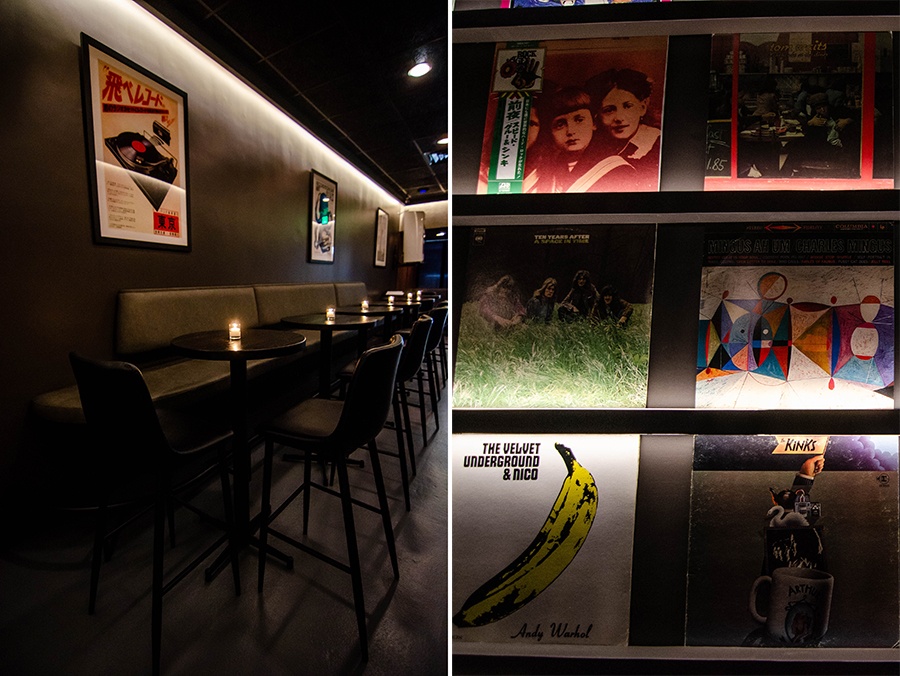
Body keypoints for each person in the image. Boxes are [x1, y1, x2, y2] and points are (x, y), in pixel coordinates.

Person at [532, 86, 635, 193]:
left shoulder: (617, 169)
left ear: (594, 123)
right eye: (560, 124)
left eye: (579, 120)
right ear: (550, 131)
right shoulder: (546, 172)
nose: (570, 131)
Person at [586, 68, 661, 190]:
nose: (619, 118)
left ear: (642, 107)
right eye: (609, 110)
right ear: (597, 116)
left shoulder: (656, 145)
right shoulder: (594, 148)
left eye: (627, 106)